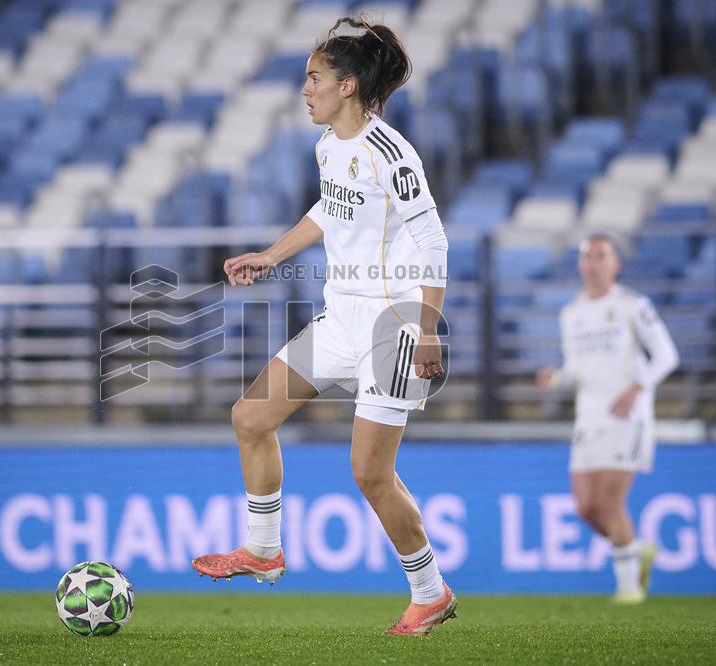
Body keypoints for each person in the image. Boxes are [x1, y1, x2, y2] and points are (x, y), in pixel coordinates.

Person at [191, 18, 455, 636]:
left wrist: (430, 326)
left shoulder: (392, 153)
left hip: (394, 327)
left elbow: (433, 238)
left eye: (314, 78)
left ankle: (430, 591)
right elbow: (327, 211)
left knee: (369, 472)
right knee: (250, 416)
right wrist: (272, 254)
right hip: (342, 318)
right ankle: (262, 548)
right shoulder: (328, 147)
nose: (304, 89)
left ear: (348, 84)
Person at [537, 233, 679, 603]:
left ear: (615, 263)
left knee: (608, 503)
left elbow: (666, 356)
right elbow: (576, 368)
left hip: (626, 417)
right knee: (585, 508)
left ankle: (630, 589)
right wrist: (557, 377)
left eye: (601, 256)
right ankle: (636, 549)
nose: (593, 264)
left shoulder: (633, 305)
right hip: (588, 418)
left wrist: (637, 386)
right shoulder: (571, 313)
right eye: (587, 257)